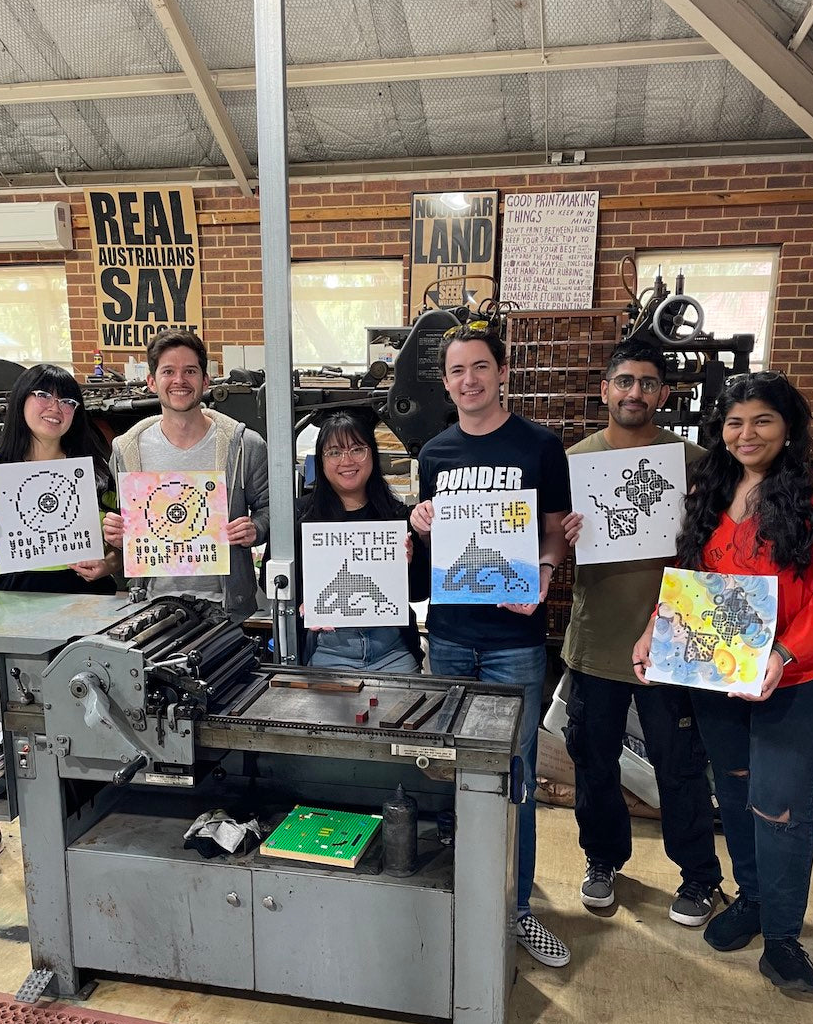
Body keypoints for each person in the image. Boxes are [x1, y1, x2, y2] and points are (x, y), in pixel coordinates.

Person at [633, 371, 813, 995]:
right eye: (735, 422)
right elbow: (692, 577)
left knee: (780, 804)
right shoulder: (714, 483)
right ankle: (755, 899)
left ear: (788, 424)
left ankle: (783, 937)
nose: (746, 433)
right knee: (734, 791)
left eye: (761, 419)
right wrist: (657, 627)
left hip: (808, 674)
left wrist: (785, 652)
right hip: (723, 672)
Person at [411, 322, 571, 967]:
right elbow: (429, 550)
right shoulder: (435, 454)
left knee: (519, 776)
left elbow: (557, 531)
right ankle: (463, 895)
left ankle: (517, 908)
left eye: (480, 367)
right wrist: (419, 524)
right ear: (446, 382)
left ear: (502, 373)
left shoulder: (540, 446)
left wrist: (547, 574)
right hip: (449, 636)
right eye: (456, 372)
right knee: (451, 769)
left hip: (516, 639)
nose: (469, 380)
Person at [562, 339, 723, 925]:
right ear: (605, 390)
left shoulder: (696, 461)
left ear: (663, 392)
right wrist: (568, 534)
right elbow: (552, 544)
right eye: (624, 381)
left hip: (674, 643)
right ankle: (602, 859)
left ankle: (700, 877)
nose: (635, 393)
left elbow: (719, 549)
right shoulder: (577, 460)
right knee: (594, 760)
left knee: (679, 764)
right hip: (597, 640)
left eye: (647, 383)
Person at [0, 363, 120, 880]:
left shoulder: (94, 468)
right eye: (42, 396)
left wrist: (110, 560)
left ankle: (87, 815)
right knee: (6, 717)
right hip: (15, 605)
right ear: (21, 403)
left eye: (67, 400)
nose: (54, 408)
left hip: (88, 602)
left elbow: (119, 550)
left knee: (85, 713)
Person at [102, 330, 268, 620]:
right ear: (151, 382)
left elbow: (272, 510)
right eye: (168, 371)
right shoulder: (127, 449)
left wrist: (256, 528)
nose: (179, 380)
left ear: (206, 380)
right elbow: (126, 522)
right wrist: (117, 534)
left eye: (190, 371)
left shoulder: (244, 445)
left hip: (226, 608)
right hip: (152, 605)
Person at [288, 409, 429, 672]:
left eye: (357, 449)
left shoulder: (396, 515)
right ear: (320, 460)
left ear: (372, 455)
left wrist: (408, 566)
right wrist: (301, 602)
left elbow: (420, 592)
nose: (346, 460)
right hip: (328, 652)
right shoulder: (301, 516)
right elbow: (273, 582)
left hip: (393, 653)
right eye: (334, 452)